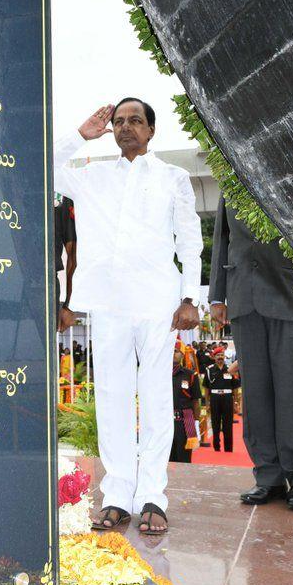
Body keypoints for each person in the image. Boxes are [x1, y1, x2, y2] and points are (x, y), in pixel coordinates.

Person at [54, 99, 202, 536]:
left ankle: (153, 494)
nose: (124, 128)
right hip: (108, 303)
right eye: (118, 122)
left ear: (152, 130)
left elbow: (189, 240)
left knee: (156, 396)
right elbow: (42, 167)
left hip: (158, 302)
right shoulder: (93, 176)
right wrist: (80, 135)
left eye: (135, 121)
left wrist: (190, 296)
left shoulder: (172, 178)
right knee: (113, 398)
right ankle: (117, 495)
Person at [209, 198, 293, 511]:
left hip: (291, 295)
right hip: (243, 296)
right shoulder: (229, 175)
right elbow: (222, 239)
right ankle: (268, 475)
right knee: (255, 391)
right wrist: (216, 297)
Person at [202, 343, 240, 452]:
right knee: (215, 423)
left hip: (228, 398)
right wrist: (207, 404)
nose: (220, 357)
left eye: (222, 355)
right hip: (215, 398)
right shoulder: (209, 370)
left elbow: (235, 387)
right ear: (214, 357)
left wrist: (236, 402)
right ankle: (216, 448)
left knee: (228, 424)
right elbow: (206, 388)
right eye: (218, 355)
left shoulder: (230, 369)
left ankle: (228, 448)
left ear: (224, 357)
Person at [171, 341, 201, 462]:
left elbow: (195, 401)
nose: (173, 353)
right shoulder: (160, 374)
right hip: (163, 422)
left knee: (183, 459)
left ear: (182, 354)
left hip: (183, 423)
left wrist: (197, 423)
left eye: (176, 351)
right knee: (166, 459)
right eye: (171, 351)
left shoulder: (190, 375)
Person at [54, 193, 77, 332]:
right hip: (34, 281)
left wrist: (67, 305)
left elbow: (72, 257)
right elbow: (73, 258)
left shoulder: (64, 196)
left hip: (44, 282)